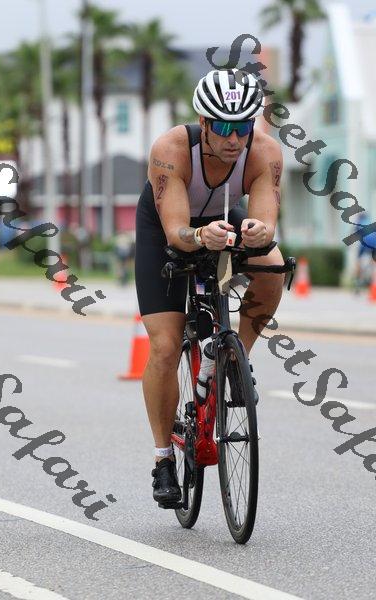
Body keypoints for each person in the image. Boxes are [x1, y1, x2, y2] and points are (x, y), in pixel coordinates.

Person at [135, 69, 285, 507]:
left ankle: (236, 357)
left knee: (273, 266)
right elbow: (178, 232)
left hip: (222, 216)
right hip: (168, 227)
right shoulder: (170, 150)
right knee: (165, 347)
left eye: (243, 127)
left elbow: (266, 221)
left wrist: (258, 232)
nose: (234, 139)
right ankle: (163, 458)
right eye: (222, 127)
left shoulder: (264, 152)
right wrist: (200, 237)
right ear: (203, 122)